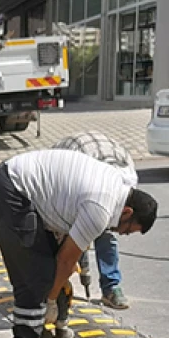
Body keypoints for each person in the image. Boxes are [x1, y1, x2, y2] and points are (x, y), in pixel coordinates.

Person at [0, 149, 158, 338]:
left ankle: (45, 331)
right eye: (127, 230)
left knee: (50, 268)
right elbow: (65, 261)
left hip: (22, 191)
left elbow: (67, 256)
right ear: (127, 212)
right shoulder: (100, 209)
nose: (122, 234)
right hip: (10, 191)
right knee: (36, 271)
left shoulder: (117, 186)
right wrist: (51, 300)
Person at [52, 131, 139, 310]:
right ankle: (56, 286)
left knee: (106, 232)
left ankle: (111, 287)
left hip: (102, 154)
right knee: (67, 228)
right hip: (69, 160)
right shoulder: (84, 175)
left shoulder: (128, 180)